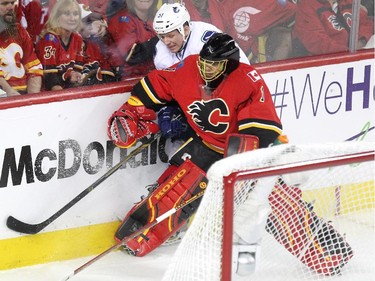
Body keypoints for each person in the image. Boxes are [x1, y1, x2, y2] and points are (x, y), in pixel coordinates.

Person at [107, 33, 283, 257]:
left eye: (214, 65)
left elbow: (262, 130)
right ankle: (141, 236)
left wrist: (237, 162)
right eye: (205, 63)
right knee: (175, 191)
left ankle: (327, 252)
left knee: (274, 205)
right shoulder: (189, 68)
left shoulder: (248, 80)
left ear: (228, 65)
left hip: (248, 155)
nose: (206, 69)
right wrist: (131, 111)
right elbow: (156, 84)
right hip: (206, 145)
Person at [218, 0, 297, 63]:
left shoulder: (219, 3)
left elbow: (295, 12)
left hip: (226, 55)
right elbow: (295, 11)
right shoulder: (273, 4)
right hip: (235, 57)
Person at [292, 0, 374, 57]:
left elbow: (365, 23)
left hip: (357, 56)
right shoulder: (306, 5)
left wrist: (361, 41)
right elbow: (318, 42)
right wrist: (349, 52)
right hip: (326, 66)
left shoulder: (349, 2)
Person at [35, 0, 86, 91]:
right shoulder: (50, 39)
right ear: (57, 17)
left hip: (68, 88)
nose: (72, 18)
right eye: (66, 14)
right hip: (49, 92)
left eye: (75, 14)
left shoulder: (78, 38)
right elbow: (49, 76)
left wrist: (75, 75)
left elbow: (78, 67)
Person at [0, 0, 43, 96]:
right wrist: (10, 92)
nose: (11, 7)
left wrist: (33, 97)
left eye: (12, 3)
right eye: (4, 3)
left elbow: (33, 67)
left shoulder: (20, 31)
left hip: (22, 96)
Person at [107, 0, 159, 78]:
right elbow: (132, 56)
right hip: (130, 79)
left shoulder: (157, 16)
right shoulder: (122, 19)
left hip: (155, 74)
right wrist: (162, 39)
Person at [80, 4, 122, 84]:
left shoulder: (102, 41)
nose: (91, 27)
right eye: (87, 22)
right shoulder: (77, 47)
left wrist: (107, 31)